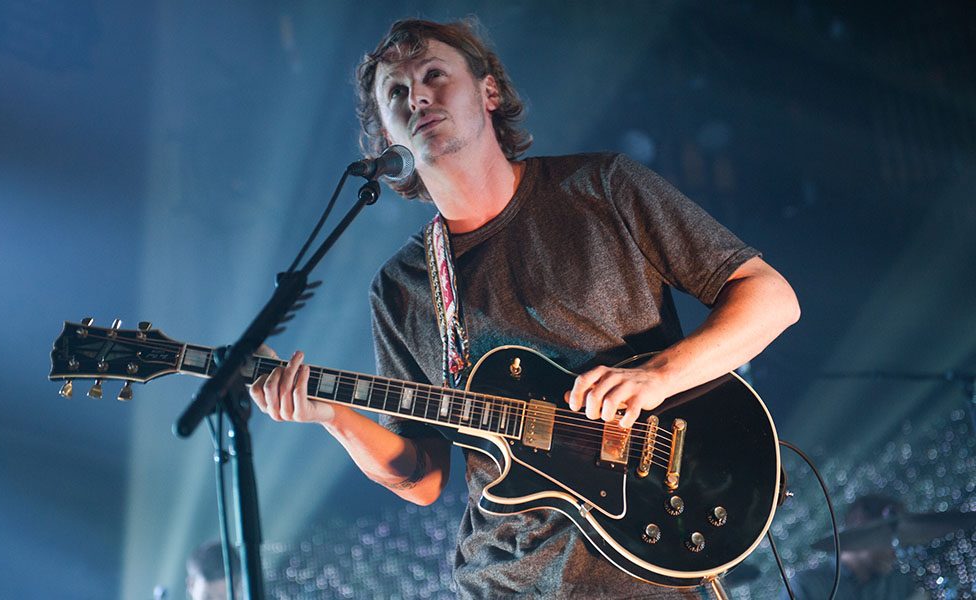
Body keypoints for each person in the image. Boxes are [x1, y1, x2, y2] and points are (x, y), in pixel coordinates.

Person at [250, 18, 800, 599]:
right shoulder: (403, 287)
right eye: (395, 92)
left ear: (489, 92)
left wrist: (656, 376)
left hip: (644, 563)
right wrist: (332, 416)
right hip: (504, 579)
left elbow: (772, 298)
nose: (416, 95)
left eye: (434, 74)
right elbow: (425, 476)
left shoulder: (603, 187)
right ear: (388, 138)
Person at [784, 495, 929, 600]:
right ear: (860, 524)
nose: (895, 551)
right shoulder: (807, 586)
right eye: (890, 538)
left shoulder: (900, 584)